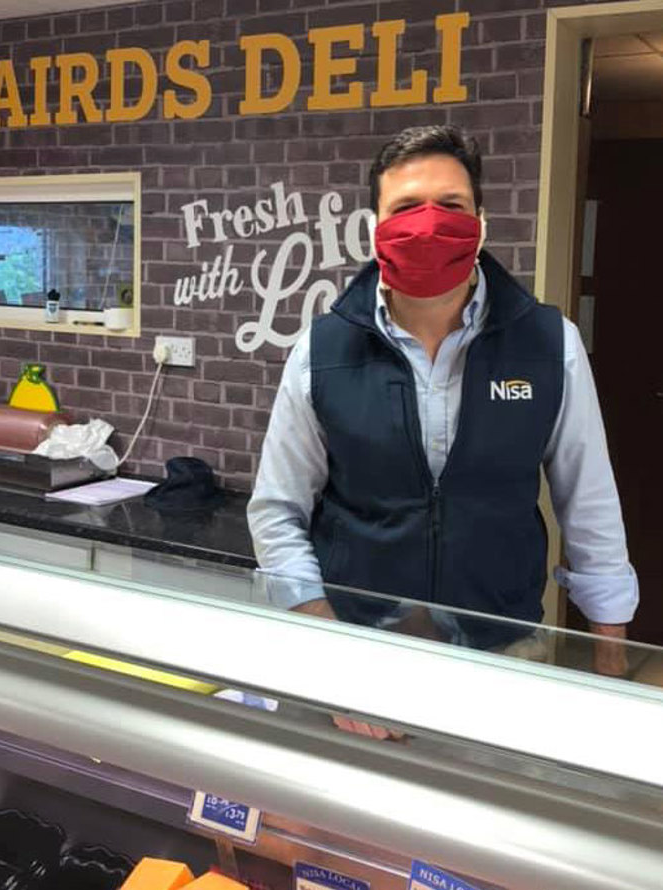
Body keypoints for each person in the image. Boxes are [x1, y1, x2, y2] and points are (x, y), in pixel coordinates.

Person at [248, 125, 638, 675]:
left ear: (479, 225)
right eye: (407, 207)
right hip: (358, 646)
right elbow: (277, 512)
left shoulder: (551, 345)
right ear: (375, 228)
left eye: (450, 205)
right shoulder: (321, 350)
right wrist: (329, 653)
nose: (429, 223)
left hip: (504, 649)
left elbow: (590, 507)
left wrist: (611, 656)